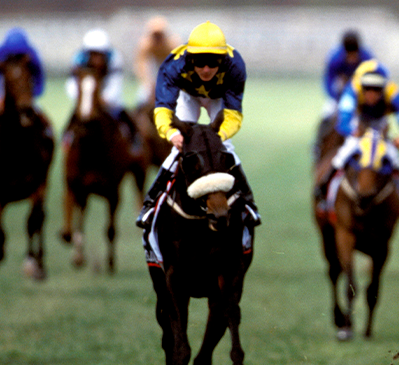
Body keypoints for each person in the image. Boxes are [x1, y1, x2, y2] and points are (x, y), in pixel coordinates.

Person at [136, 20, 260, 229]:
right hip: (189, 95)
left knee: (226, 147)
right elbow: (163, 109)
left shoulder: (235, 65)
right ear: (189, 57)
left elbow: (233, 115)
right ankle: (150, 202)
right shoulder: (173, 65)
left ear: (223, 60)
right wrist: (170, 133)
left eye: (213, 63)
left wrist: (216, 139)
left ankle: (248, 203)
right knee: (180, 148)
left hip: (218, 98)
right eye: (200, 62)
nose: (205, 69)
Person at [315, 59, 399, 205]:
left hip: (380, 130)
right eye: (367, 89)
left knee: (394, 157)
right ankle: (323, 187)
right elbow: (343, 122)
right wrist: (352, 130)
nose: (371, 94)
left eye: (376, 90)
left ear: (383, 89)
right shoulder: (352, 89)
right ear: (361, 87)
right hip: (359, 127)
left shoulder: (393, 93)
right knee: (343, 154)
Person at [65, 28, 138, 139]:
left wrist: (101, 99)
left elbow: (115, 86)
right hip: (86, 102)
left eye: (99, 55)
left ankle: (135, 141)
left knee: (126, 119)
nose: (96, 59)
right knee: (71, 124)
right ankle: (66, 140)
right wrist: (85, 98)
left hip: (109, 104)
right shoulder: (78, 61)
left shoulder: (115, 59)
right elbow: (71, 86)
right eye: (93, 54)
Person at [315, 30, 375, 155]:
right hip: (340, 93)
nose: (352, 59)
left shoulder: (367, 57)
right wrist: (334, 97)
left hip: (361, 95)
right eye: (349, 56)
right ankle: (317, 145)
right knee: (326, 114)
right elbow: (328, 80)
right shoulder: (335, 57)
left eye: (354, 55)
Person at [0, 27, 46, 129]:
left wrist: (32, 95)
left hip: (25, 96)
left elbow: (39, 79)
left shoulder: (32, 55)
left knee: (40, 118)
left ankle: (47, 136)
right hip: (2, 94)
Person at [134, 15, 180, 105]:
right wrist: (148, 82)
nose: (157, 38)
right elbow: (141, 65)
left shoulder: (173, 45)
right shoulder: (145, 45)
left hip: (168, 68)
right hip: (153, 67)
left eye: (160, 35)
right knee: (142, 96)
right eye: (155, 35)